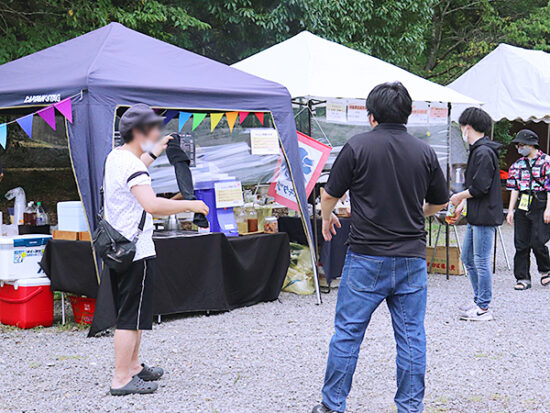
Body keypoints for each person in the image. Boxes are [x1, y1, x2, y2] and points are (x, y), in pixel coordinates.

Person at [312, 82, 448, 413]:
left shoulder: (357, 146)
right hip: (411, 258)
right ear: (408, 114)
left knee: (347, 334)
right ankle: (410, 407)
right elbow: (440, 202)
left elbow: (328, 195)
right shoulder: (424, 151)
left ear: (371, 116)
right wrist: (418, 212)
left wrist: (327, 219)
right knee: (412, 337)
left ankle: (332, 406)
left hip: (366, 257)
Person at [105, 104, 209, 396]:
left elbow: (137, 170)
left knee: (135, 313)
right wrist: (189, 204)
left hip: (120, 247)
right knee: (130, 317)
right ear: (139, 132)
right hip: (135, 250)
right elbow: (152, 204)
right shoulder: (132, 164)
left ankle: (134, 367)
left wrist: (157, 151)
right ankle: (121, 378)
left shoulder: (118, 156)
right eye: (153, 128)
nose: (157, 132)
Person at [450, 107, 503, 321]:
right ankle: (478, 299)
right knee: (467, 258)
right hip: (477, 213)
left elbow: (480, 187)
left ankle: (483, 307)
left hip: (485, 215)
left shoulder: (483, 152)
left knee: (480, 260)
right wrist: (463, 201)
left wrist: (457, 197)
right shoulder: (479, 150)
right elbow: (475, 185)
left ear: (467, 127)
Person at [505, 129, 550, 290]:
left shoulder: (546, 161)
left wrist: (548, 209)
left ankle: (545, 269)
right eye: (518, 145)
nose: (519, 148)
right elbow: (514, 188)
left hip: (541, 201)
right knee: (521, 243)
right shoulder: (517, 165)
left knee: (538, 241)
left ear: (532, 145)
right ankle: (522, 278)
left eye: (522, 144)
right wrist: (510, 210)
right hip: (523, 203)